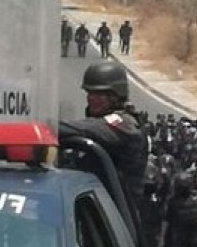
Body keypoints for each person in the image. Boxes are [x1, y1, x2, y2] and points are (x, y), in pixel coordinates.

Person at [57, 61, 148, 206]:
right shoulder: (102, 120)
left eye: (99, 94)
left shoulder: (125, 124)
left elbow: (91, 128)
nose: (91, 98)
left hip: (115, 212)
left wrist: (46, 127)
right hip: (92, 203)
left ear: (115, 95)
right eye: (90, 93)